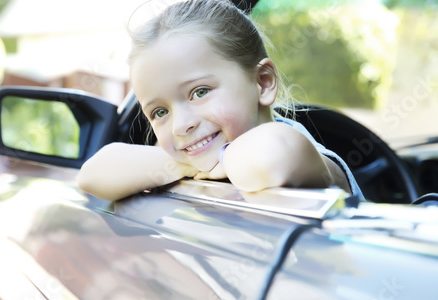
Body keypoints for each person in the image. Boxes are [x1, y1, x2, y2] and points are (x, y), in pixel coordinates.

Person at [77, 0, 363, 201]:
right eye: (160, 111)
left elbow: (272, 156)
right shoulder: (194, 157)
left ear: (263, 82)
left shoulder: (299, 150)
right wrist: (186, 164)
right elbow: (91, 175)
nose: (181, 125)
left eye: (200, 92)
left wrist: (193, 162)